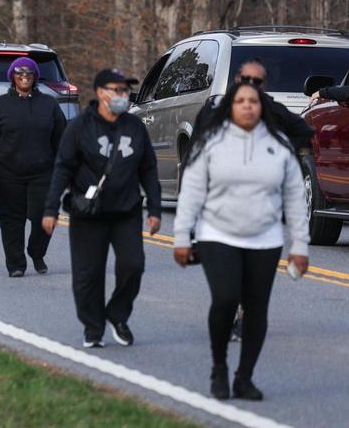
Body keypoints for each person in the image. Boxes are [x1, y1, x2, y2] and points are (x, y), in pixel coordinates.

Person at [173, 81, 309, 401]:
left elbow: (294, 199)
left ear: (262, 107)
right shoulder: (212, 143)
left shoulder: (278, 146)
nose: (247, 106)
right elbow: (191, 191)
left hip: (265, 238)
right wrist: (181, 236)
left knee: (256, 310)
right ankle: (218, 366)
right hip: (217, 234)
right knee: (225, 299)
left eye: (253, 101)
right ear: (230, 108)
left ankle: (244, 377)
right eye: (240, 101)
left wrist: (300, 246)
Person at [43, 69, 161, 349]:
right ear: (100, 93)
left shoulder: (134, 126)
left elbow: (148, 168)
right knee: (88, 275)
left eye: (125, 90)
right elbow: (62, 169)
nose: (123, 95)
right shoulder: (80, 127)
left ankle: (117, 315)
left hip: (126, 211)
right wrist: (50, 209)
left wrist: (154, 209)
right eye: (117, 90)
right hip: (89, 214)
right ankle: (93, 327)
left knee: (133, 265)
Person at [0, 57, 67, 277]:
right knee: (10, 220)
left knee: (45, 217)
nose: (24, 76)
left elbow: (62, 139)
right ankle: (16, 264)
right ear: (12, 77)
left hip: (43, 172)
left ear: (35, 77)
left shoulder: (49, 104)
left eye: (29, 73)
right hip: (7, 173)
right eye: (19, 72)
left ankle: (36, 252)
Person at [194, 58, 314, 154]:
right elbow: (193, 154)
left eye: (257, 81)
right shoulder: (214, 110)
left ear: (264, 84)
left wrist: (280, 151)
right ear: (237, 79)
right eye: (246, 79)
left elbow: (304, 132)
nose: (251, 84)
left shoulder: (276, 111)